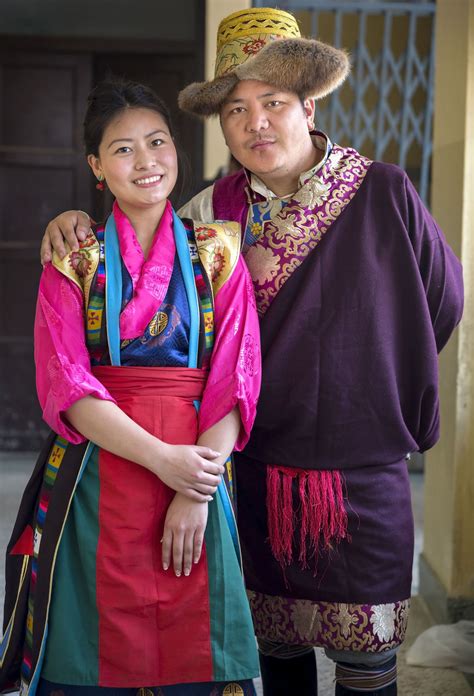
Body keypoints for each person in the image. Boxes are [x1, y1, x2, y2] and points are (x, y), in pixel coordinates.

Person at [37, 7, 464, 696]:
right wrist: (72, 219)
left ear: (309, 103)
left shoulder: (385, 191)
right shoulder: (211, 212)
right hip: (250, 470)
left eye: (273, 102)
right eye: (236, 108)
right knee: (275, 658)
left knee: (368, 666)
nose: (256, 123)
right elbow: (143, 274)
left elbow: (441, 302)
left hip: (364, 471)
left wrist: (372, 370)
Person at [1, 78, 261, 696]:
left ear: (177, 150)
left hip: (199, 467)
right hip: (98, 470)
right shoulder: (73, 257)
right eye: (122, 149)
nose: (145, 162)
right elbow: (67, 384)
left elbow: (237, 376)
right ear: (96, 166)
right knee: (94, 647)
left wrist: (195, 487)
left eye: (158, 142)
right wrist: (164, 460)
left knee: (196, 640)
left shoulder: (219, 251)